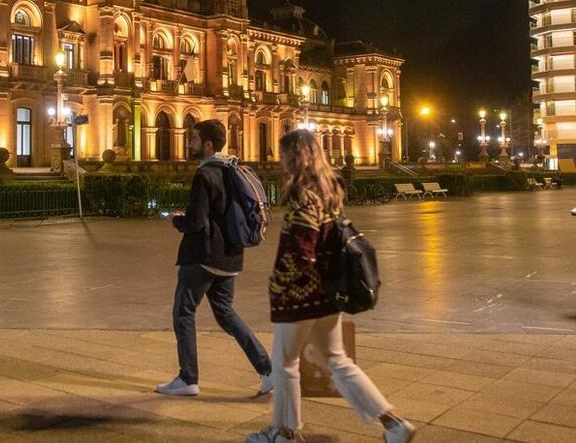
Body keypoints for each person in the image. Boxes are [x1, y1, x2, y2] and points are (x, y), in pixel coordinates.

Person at [247, 129, 415, 443]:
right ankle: (394, 424)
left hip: (301, 295)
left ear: (296, 157)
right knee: (339, 363)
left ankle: (283, 433)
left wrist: (277, 283)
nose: (279, 159)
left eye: (283, 154)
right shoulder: (330, 190)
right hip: (329, 293)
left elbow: (301, 251)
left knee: (284, 364)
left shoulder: (303, 195)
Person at [156, 119, 273, 397]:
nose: (190, 143)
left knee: (183, 313)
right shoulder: (234, 170)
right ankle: (268, 370)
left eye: (194, 139)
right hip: (231, 256)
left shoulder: (205, 174)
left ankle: (188, 379)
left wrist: (176, 221)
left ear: (208, 144)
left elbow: (196, 222)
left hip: (202, 256)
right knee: (226, 315)